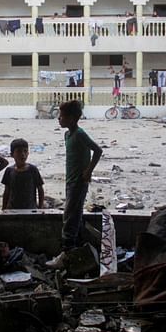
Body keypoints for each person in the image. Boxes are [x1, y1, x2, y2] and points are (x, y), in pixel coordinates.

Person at [57, 100, 102, 252]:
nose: (59, 118)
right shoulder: (67, 135)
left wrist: (88, 171)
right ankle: (80, 246)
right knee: (74, 213)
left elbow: (97, 150)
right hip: (70, 180)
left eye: (61, 116)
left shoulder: (80, 134)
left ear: (71, 118)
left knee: (69, 216)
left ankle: (67, 251)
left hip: (78, 181)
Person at [1, 138, 45, 210]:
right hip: (12, 209)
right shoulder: (9, 171)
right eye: (19, 152)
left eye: (25, 151)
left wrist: (40, 207)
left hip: (30, 209)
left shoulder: (32, 170)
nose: (23, 155)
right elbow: (6, 191)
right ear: (12, 154)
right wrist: (4, 209)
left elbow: (40, 189)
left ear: (28, 153)